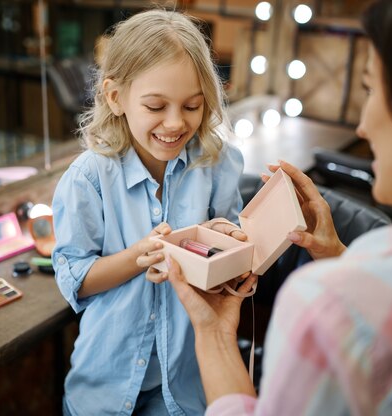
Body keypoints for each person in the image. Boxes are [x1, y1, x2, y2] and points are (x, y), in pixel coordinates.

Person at [167, 0, 392, 414]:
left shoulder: (332, 304)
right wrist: (336, 256)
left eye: (370, 88)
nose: (363, 126)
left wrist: (212, 333)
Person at [51, 9, 247, 415]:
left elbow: (234, 264)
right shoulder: (88, 178)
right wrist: (140, 255)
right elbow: (77, 280)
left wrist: (225, 244)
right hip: (102, 387)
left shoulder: (218, 163)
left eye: (192, 106)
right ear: (115, 97)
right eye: (156, 106)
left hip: (188, 387)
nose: (175, 124)